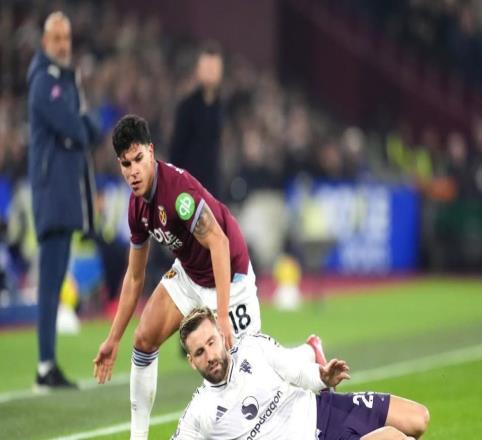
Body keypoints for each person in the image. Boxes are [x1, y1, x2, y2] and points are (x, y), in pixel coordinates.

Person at [93, 115, 320, 439]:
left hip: (230, 277)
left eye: (139, 159)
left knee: (251, 376)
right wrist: (113, 338)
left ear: (151, 151)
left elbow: (219, 243)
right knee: (143, 338)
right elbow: (134, 276)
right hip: (190, 273)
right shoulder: (137, 208)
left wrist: (222, 316)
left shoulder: (178, 194)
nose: (133, 171)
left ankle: (309, 354)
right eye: (125, 164)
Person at [173, 307, 430, 440]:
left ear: (221, 335)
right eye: (199, 352)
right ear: (191, 361)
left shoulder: (252, 346)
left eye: (211, 343)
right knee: (395, 438)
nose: (210, 356)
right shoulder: (199, 412)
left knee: (418, 419)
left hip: (323, 410)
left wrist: (322, 378)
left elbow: (295, 372)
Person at [27, 11, 100, 390]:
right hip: (52, 192)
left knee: (55, 283)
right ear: (45, 42)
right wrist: (81, 126)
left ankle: (48, 364)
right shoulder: (45, 82)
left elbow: (88, 130)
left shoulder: (65, 81)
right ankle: (44, 366)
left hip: (65, 192)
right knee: (49, 283)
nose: (62, 44)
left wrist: (82, 126)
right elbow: (75, 126)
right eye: (56, 38)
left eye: (66, 37)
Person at [169, 43, 224, 198]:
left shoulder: (220, 107)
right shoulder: (187, 107)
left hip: (211, 185)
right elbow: (177, 148)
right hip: (189, 185)